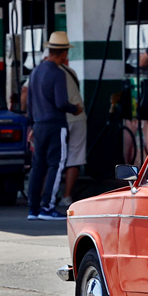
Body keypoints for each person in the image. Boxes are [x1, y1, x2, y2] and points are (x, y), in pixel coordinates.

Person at [27, 31, 84, 221]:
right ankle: (47, 207)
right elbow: (61, 103)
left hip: (39, 124)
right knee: (56, 165)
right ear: (63, 53)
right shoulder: (57, 74)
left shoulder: (35, 72)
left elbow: (29, 102)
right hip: (55, 125)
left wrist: (31, 126)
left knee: (38, 166)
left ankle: (33, 208)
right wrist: (74, 108)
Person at [60, 50, 87, 206]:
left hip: (60, 119)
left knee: (52, 158)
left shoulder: (42, 72)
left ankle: (46, 196)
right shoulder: (71, 72)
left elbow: (25, 91)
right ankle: (67, 196)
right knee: (74, 158)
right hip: (78, 117)